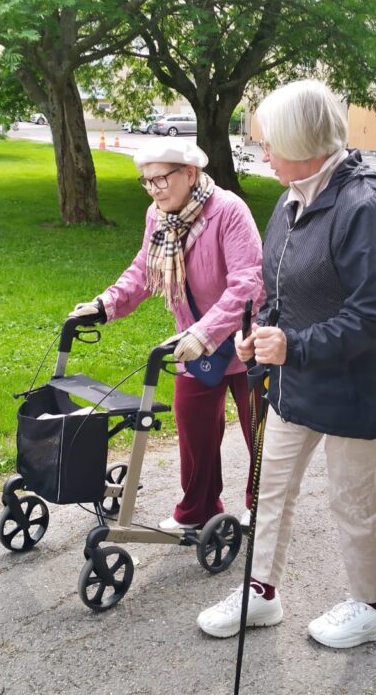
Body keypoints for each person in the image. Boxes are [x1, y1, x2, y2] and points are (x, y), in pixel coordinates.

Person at [197, 80, 376, 648]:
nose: (262, 154)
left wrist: (293, 346)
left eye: (269, 143)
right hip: (300, 380)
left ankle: (375, 609)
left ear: (301, 140)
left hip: (361, 386)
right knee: (270, 488)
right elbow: (276, 284)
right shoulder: (294, 194)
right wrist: (260, 332)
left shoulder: (365, 205)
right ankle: (261, 592)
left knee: (353, 502)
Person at [71, 137, 264, 530]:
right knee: (194, 431)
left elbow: (248, 284)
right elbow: (144, 270)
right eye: (147, 181)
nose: (154, 189)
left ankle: (263, 507)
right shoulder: (157, 216)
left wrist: (206, 332)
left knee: (260, 435)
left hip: (246, 342)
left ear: (190, 174)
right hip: (194, 344)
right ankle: (199, 510)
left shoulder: (229, 211)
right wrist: (105, 304)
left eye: (162, 179)